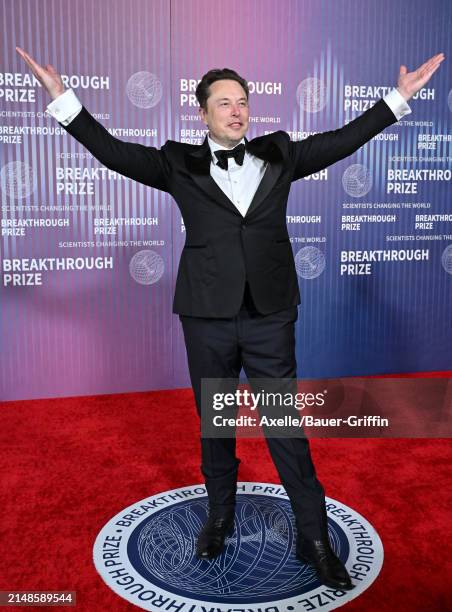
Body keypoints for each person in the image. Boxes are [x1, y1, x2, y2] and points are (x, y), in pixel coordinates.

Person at [16, 47, 444, 590]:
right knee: (216, 423)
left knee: (285, 428)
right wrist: (64, 101)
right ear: (203, 113)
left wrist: (397, 100)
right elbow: (113, 153)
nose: (236, 111)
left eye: (243, 102)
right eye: (224, 103)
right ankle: (221, 515)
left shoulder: (281, 152)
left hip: (270, 317)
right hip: (207, 316)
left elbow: (341, 141)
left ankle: (313, 536)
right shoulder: (176, 162)